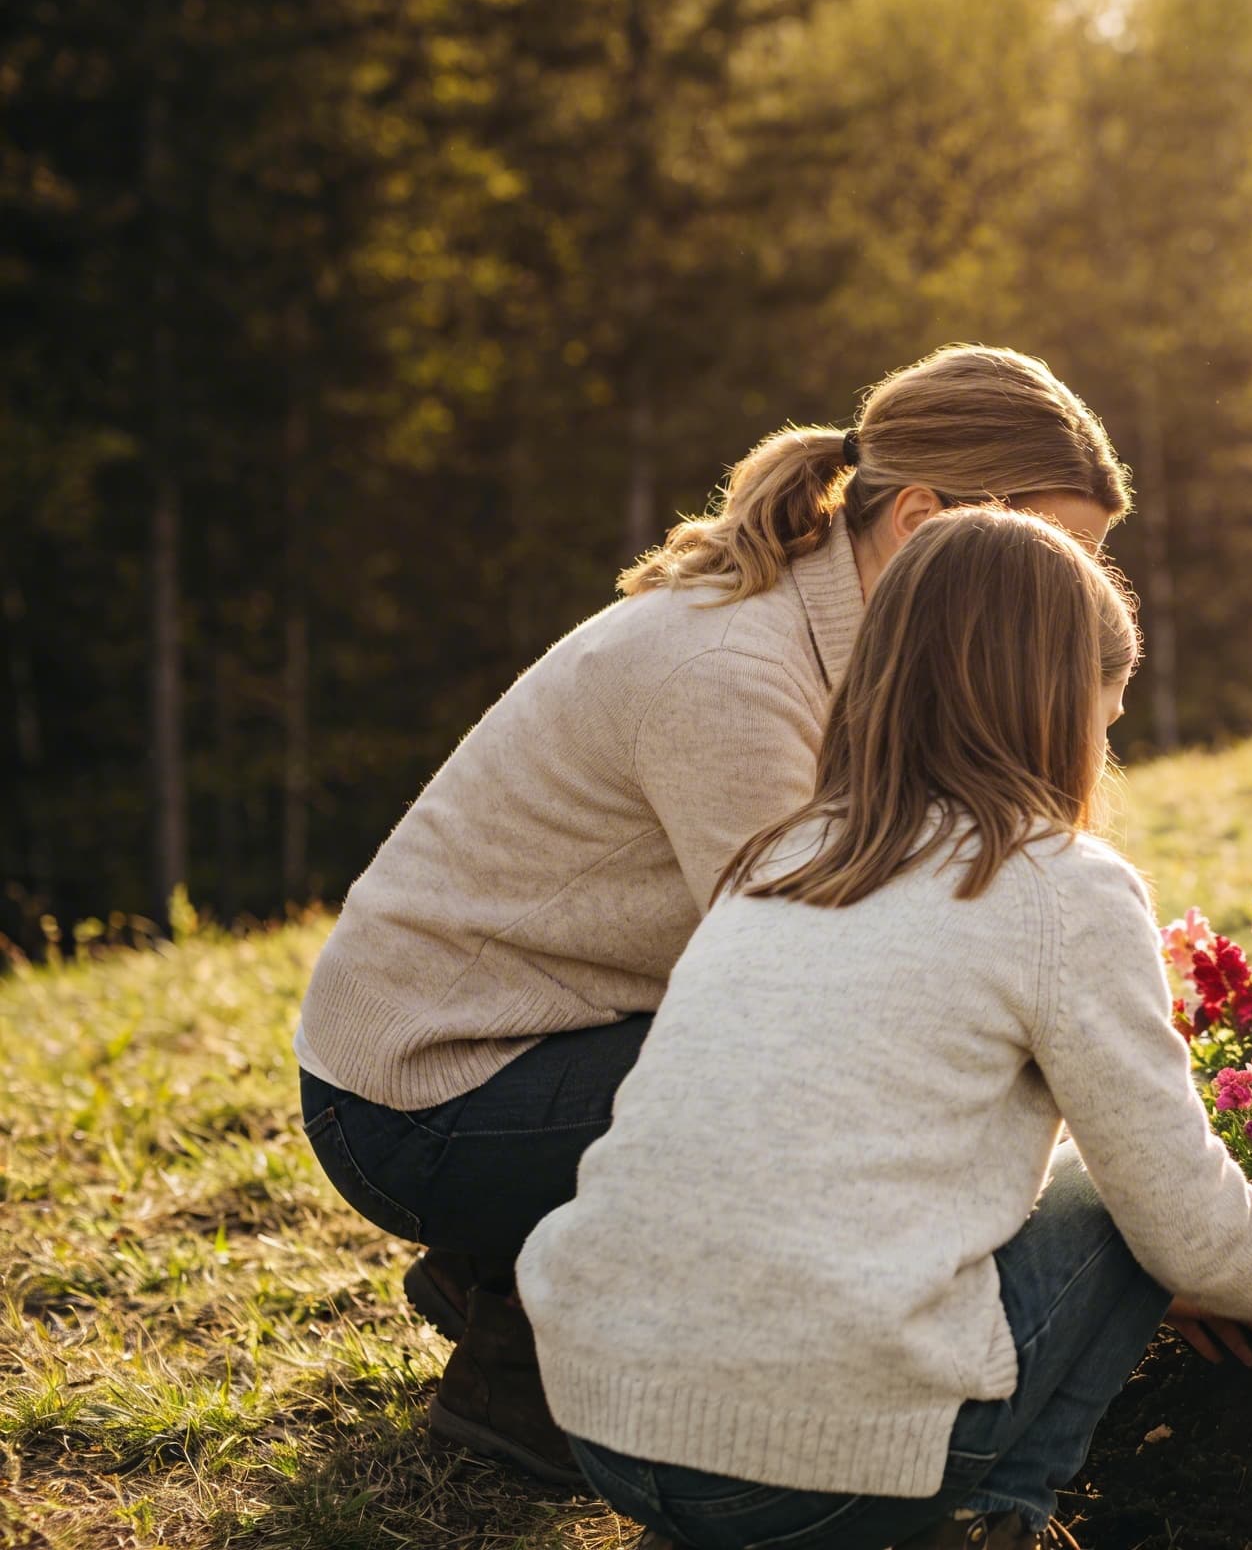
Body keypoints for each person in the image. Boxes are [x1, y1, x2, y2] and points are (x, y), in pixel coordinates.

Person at [517, 507, 1252, 1550]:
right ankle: (982, 1519)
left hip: (605, 1421)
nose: (1103, 744)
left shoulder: (780, 856)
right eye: (1107, 712)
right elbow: (1187, 1224)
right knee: (1112, 1196)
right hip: (806, 1475)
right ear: (1055, 702)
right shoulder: (1057, 885)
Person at [295, 345, 1132, 1484]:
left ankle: (505, 1270)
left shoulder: (867, 637)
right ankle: (521, 1340)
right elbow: (836, 993)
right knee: (823, 1087)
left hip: (565, 1039)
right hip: (427, 1093)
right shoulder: (734, 674)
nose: (1078, 607)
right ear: (925, 517)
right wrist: (1119, 1167)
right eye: (1057, 556)